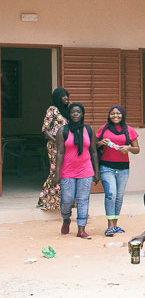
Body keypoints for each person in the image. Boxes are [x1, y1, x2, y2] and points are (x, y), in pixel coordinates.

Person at [54, 102, 99, 239]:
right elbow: (60, 153)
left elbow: (94, 152)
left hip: (85, 170)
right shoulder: (63, 131)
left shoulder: (88, 130)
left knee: (83, 199)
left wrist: (97, 172)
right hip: (67, 171)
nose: (75, 114)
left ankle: (81, 229)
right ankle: (66, 218)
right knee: (67, 200)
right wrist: (57, 173)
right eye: (73, 112)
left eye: (78, 112)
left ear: (82, 114)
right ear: (69, 114)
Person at [97, 105, 140, 236]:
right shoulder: (103, 129)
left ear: (123, 115)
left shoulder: (130, 130)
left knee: (119, 197)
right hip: (106, 167)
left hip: (123, 169)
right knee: (111, 195)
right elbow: (94, 145)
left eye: (118, 113)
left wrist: (128, 148)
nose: (115, 116)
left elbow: (137, 149)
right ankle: (110, 225)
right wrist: (101, 142)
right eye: (112, 114)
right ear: (109, 116)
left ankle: (115, 225)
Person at [37, 88, 71, 211]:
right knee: (55, 170)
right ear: (57, 97)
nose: (66, 98)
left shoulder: (67, 110)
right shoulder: (52, 110)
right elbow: (45, 130)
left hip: (67, 146)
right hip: (55, 145)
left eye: (67, 96)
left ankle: (63, 200)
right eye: (63, 96)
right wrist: (56, 141)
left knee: (66, 171)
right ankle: (46, 200)